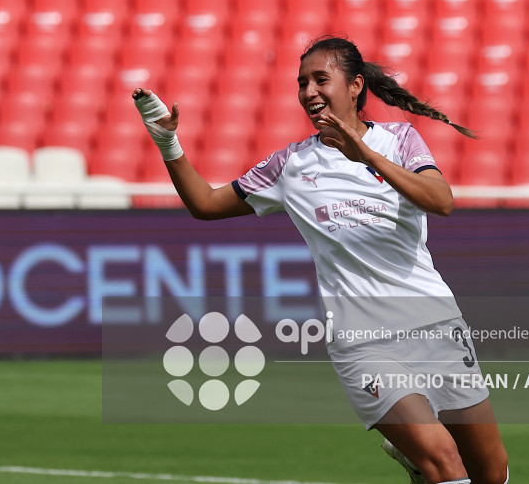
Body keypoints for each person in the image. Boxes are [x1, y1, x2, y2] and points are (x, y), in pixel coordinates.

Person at [132, 37, 509, 484]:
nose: (308, 91)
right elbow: (206, 203)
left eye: (320, 79)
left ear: (355, 87)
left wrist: (363, 154)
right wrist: (168, 143)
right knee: (443, 462)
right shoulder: (291, 165)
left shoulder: (400, 140)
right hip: (363, 341)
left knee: (491, 470)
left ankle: (412, 460)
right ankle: (419, 459)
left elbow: (440, 201)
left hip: (435, 324)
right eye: (302, 82)